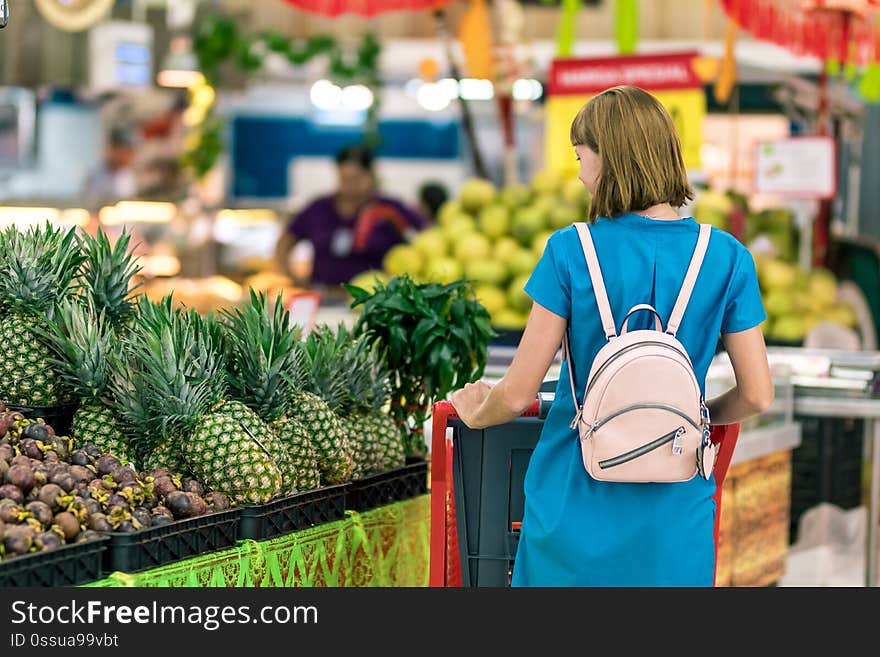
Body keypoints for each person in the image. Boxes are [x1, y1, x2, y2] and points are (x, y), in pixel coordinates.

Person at [449, 85, 774, 586]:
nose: (579, 173)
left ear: (611, 161)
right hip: (676, 512)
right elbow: (756, 394)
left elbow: (515, 393)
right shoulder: (727, 256)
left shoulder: (570, 250)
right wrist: (696, 421)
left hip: (572, 507)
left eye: (582, 157)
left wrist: (477, 412)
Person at [275, 145, 429, 289]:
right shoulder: (318, 208)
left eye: (356, 178)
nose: (349, 185)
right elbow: (285, 242)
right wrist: (292, 279)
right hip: (323, 297)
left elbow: (425, 238)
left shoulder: (389, 209)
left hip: (376, 301)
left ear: (371, 176)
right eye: (344, 179)